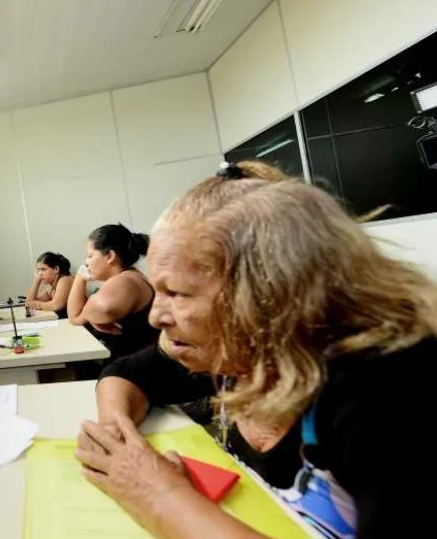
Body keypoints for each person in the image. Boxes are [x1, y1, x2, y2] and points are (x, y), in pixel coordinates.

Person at [79, 161, 437, 538]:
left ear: (267, 295)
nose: (155, 317)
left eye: (177, 293)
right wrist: (118, 434)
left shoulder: (391, 389)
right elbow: (127, 374)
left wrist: (156, 494)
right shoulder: (236, 350)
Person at [67, 224, 159, 363]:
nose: (86, 262)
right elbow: (76, 317)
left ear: (110, 256)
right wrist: (80, 279)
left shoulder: (125, 281)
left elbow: (78, 317)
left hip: (136, 371)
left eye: (90, 255)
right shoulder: (128, 276)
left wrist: (93, 316)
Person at [25, 252, 74, 319]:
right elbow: (29, 303)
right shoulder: (52, 287)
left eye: (43, 269)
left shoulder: (65, 279)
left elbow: (56, 305)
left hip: (82, 327)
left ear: (56, 269)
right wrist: (37, 281)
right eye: (38, 270)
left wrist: (38, 304)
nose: (40, 273)